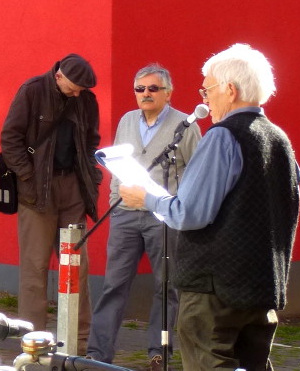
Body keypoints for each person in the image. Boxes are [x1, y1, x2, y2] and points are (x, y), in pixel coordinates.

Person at [120, 44, 300, 371]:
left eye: (208, 89)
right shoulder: (280, 139)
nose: (205, 98)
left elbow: (188, 213)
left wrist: (145, 198)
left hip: (214, 291)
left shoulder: (222, 137)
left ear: (230, 90)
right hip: (262, 287)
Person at [86, 64, 201, 371]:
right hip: (124, 216)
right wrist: (114, 202)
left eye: (153, 88)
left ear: (168, 93)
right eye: (140, 89)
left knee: (166, 287)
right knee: (113, 285)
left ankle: (158, 352)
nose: (146, 94)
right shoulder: (127, 121)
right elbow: (115, 166)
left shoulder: (185, 126)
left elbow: (196, 171)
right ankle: (98, 356)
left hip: (162, 218)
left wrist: (178, 207)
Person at [0, 53, 102, 345]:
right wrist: (28, 176)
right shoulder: (31, 91)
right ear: (58, 75)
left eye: (82, 88)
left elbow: (92, 139)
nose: (78, 93)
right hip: (36, 192)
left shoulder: (86, 100)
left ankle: (78, 341)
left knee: (77, 266)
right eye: (73, 88)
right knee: (35, 267)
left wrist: (91, 176)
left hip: (74, 189)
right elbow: (10, 138)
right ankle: (33, 342)